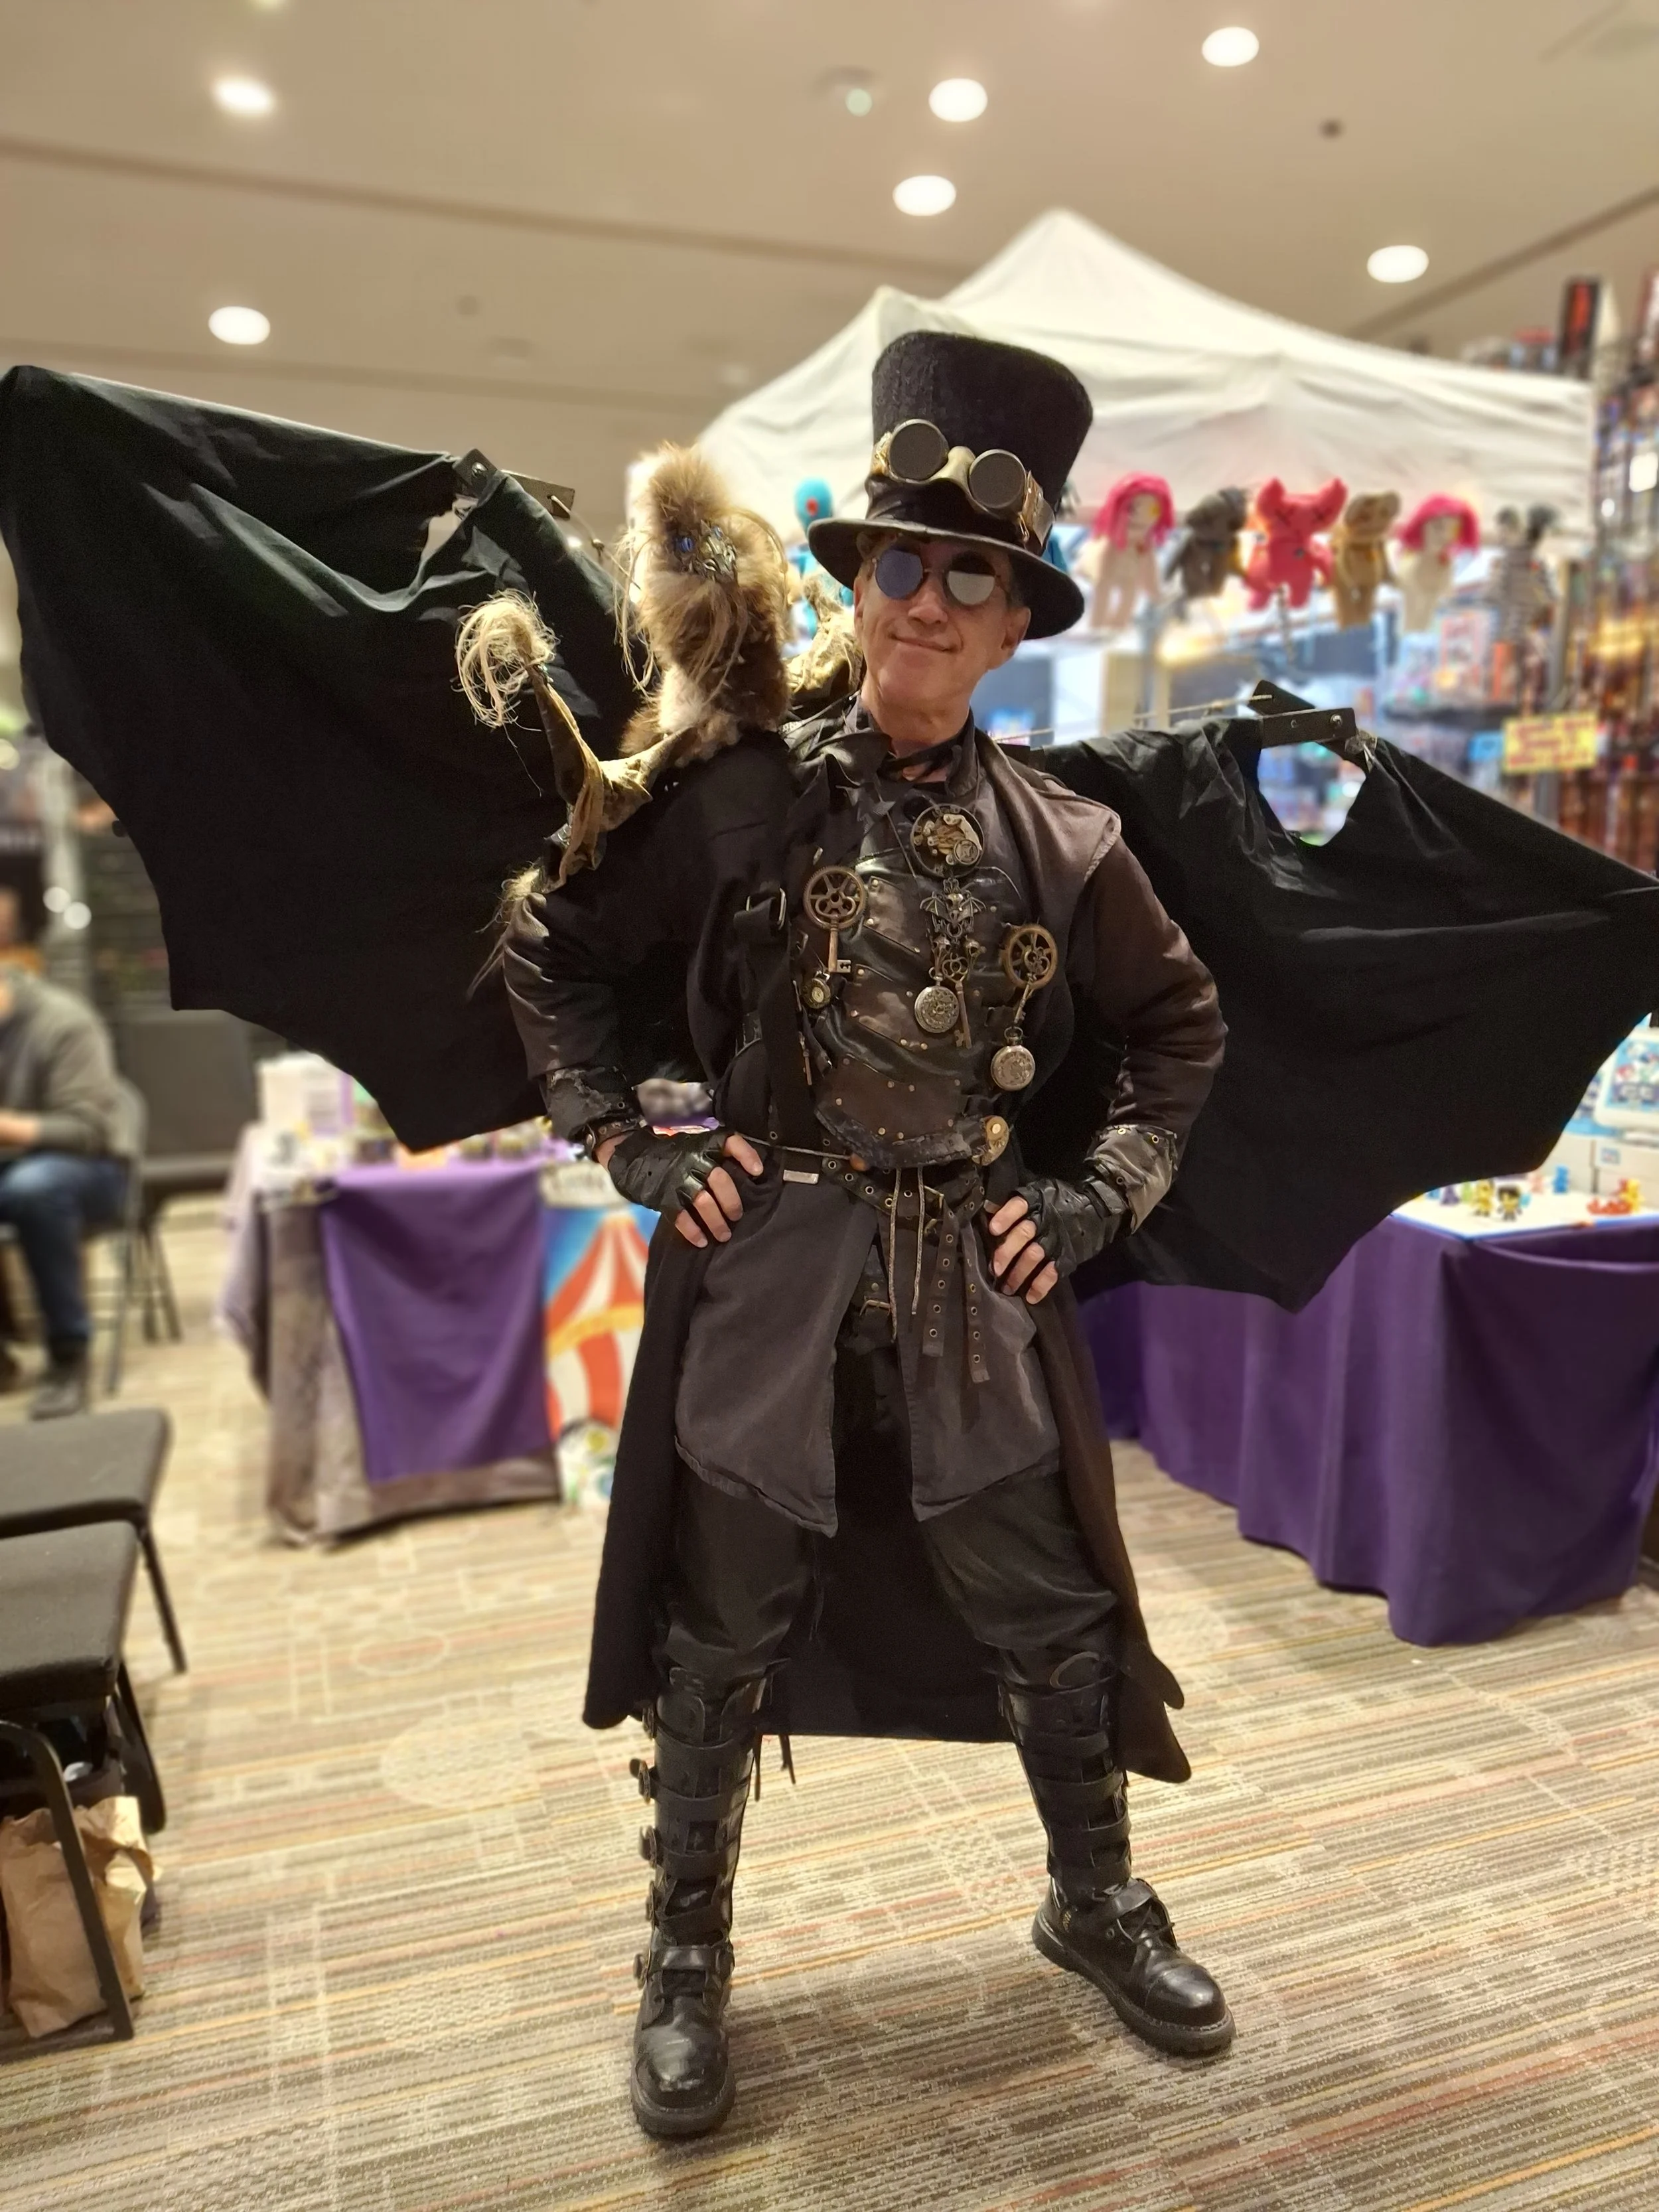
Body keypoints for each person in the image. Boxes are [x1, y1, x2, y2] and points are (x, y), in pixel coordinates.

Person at [504, 333, 1233, 2138]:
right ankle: (682, 1957)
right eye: (899, 559)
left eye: (967, 574)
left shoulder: (1066, 835)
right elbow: (551, 952)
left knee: (1052, 1615)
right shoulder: (741, 791)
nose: (925, 598)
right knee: (717, 1628)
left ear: (1007, 623)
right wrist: (635, 1141)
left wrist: (1089, 1194)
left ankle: (1089, 1897)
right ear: (861, 580)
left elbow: (1179, 1031)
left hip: (971, 1285)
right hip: (766, 1274)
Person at [0, 966, 130, 1416]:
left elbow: (86, 1130)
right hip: (12, 1168)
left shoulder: (63, 1023)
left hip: (88, 1168)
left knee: (33, 1189)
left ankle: (68, 1352)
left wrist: (7, 1127)